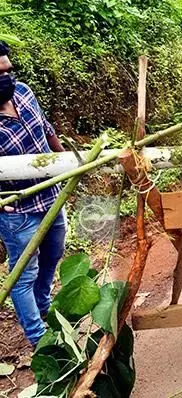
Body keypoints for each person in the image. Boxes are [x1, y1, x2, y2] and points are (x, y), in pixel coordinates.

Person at [0, 41, 67, 346]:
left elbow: (47, 127)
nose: (7, 77)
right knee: (23, 275)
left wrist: (68, 162)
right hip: (18, 212)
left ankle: (44, 307)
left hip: (51, 197)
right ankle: (39, 338)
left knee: (53, 255)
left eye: (8, 70)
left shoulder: (24, 92)